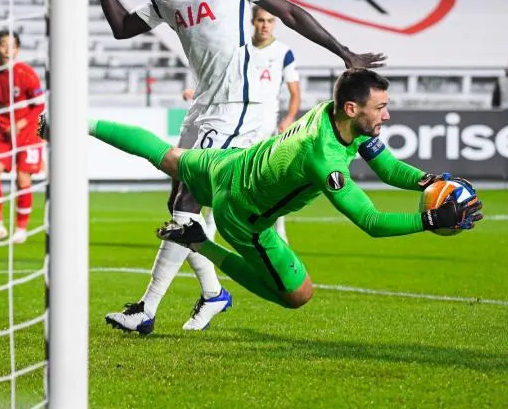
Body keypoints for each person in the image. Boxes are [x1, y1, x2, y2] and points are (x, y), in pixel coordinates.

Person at [94, 0, 386, 334]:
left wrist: (344, 53)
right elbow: (121, 27)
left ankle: (147, 308)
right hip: (203, 107)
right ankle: (212, 293)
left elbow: (289, 11)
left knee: (187, 204)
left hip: (233, 106)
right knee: (180, 207)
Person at [82, 69, 483, 309]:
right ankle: (199, 242)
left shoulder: (335, 115)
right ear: (352, 109)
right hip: (243, 214)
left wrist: (424, 180)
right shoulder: (324, 160)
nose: (387, 114)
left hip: (230, 163)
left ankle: (80, 120)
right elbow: (370, 221)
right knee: (298, 295)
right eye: (380, 107)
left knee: (166, 154)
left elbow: (389, 168)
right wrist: (430, 219)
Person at [184, 6, 302, 243]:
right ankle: (209, 228)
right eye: (260, 20)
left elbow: (295, 94)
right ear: (252, 21)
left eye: (270, 20)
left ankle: (279, 232)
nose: (265, 25)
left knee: (270, 180)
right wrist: (196, 93)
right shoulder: (240, 49)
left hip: (267, 127)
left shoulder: (283, 53)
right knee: (223, 174)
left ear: (275, 23)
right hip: (237, 122)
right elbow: (220, 81)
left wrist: (288, 119)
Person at [0, 29, 46, 245]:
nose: (8, 51)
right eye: (3, 45)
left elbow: (39, 105)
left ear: (18, 49)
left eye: (12, 46)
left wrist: (22, 122)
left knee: (22, 179)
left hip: (28, 134)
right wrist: (7, 125)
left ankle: (21, 228)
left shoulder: (26, 74)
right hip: (5, 135)